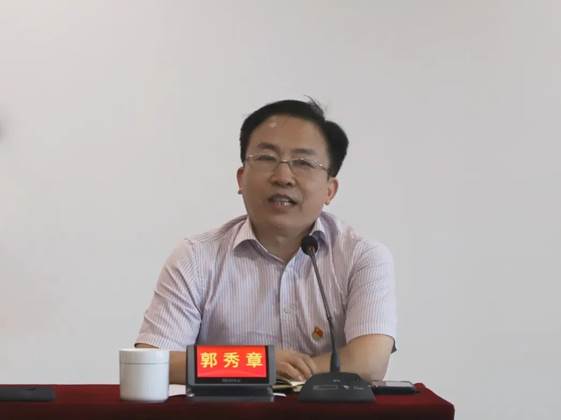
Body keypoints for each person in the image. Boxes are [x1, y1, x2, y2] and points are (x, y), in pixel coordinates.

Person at [135, 99, 397, 384]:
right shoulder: (196, 257)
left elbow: (370, 362)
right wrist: (258, 364)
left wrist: (284, 373)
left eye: (303, 163)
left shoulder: (362, 257)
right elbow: (150, 363)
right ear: (241, 178)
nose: (283, 177)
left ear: (329, 190)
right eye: (266, 158)